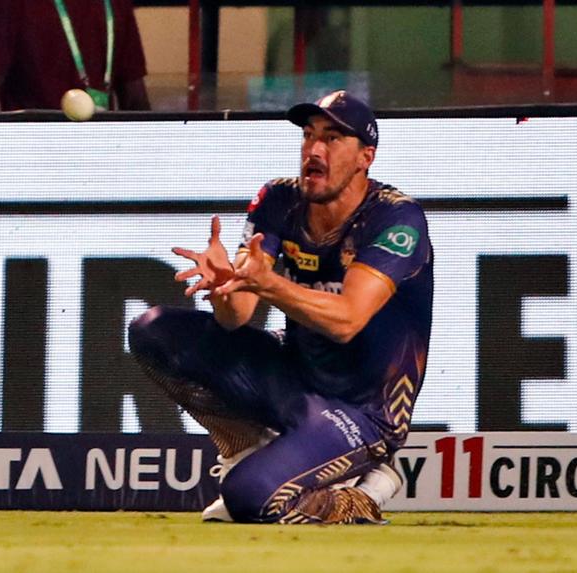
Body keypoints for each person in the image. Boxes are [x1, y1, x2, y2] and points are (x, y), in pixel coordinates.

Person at [129, 90, 433, 524]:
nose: (314, 149)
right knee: (153, 331)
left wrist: (268, 284)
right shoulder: (278, 200)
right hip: (293, 375)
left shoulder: (396, 219)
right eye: (308, 136)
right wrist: (225, 288)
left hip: (362, 410)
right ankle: (252, 448)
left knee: (249, 497)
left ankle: (365, 492)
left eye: (332, 138)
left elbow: (347, 320)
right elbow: (237, 316)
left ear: (366, 156)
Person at [0, 0, 149, 112]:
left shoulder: (117, 3)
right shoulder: (10, 4)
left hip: (98, 156)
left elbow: (135, 96)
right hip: (34, 157)